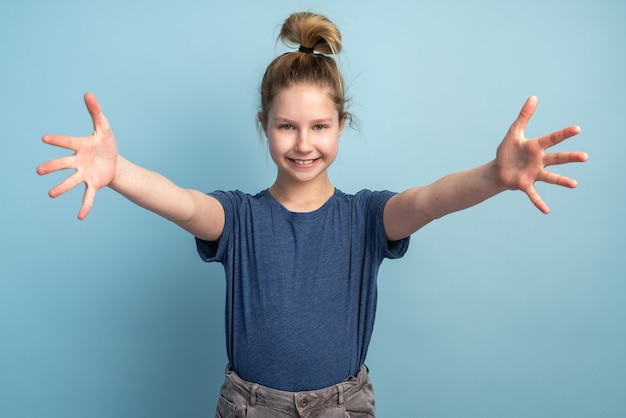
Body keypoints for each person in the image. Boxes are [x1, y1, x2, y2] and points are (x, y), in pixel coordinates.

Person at [37, 11, 587, 418]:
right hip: (250, 406)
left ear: (340, 126)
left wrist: (493, 176)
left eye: (319, 127)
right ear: (264, 125)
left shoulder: (366, 218)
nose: (304, 144)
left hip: (342, 407)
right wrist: (118, 171)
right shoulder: (240, 219)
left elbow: (427, 200)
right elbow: (183, 202)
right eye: (287, 126)